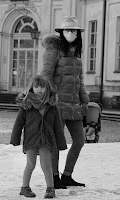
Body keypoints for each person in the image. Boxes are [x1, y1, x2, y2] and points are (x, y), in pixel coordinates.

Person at [40, 16, 90, 189]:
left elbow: (79, 81)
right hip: (57, 104)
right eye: (67, 30)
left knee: (79, 141)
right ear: (61, 32)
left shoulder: (76, 54)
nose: (71, 33)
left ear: (78, 34)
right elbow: (46, 74)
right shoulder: (53, 50)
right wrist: (50, 97)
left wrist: (85, 101)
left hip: (74, 105)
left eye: (74, 30)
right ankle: (54, 177)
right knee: (55, 143)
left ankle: (67, 175)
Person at [10, 75, 67, 198]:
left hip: (46, 140)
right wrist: (15, 138)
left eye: (42, 86)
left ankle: (50, 189)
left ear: (47, 88)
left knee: (46, 165)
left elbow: (57, 125)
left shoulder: (51, 106)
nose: (39, 89)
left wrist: (61, 143)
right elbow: (18, 123)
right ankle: (25, 188)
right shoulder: (26, 105)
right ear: (32, 88)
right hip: (31, 139)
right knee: (30, 164)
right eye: (36, 86)